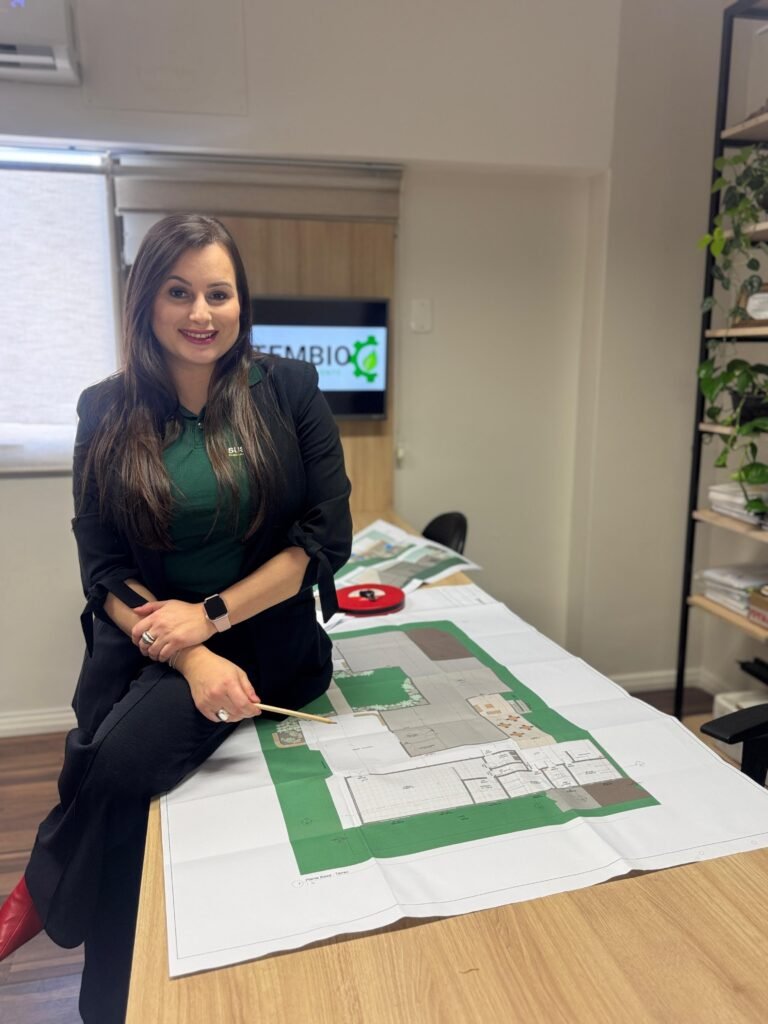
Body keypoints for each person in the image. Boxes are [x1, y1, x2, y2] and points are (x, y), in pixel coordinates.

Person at [0, 214, 352, 1022]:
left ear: (241, 302)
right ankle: (109, 997)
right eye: (178, 292)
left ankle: (45, 900)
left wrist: (213, 615)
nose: (201, 313)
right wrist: (191, 649)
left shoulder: (289, 390)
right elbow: (103, 568)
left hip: (268, 638)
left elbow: (322, 540)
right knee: (109, 775)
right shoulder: (105, 409)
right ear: (146, 302)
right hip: (155, 640)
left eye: (218, 294)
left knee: (114, 765)